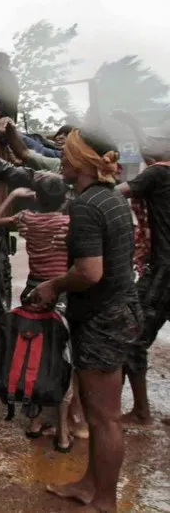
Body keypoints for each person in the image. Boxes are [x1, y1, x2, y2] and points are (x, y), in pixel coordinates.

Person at [30, 129, 140, 512]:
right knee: (96, 416)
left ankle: (105, 500)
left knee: (105, 418)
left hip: (102, 319)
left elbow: (91, 272)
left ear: (80, 160)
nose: (60, 158)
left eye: (66, 153)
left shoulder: (86, 206)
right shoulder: (108, 199)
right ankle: (90, 484)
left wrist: (53, 285)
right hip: (116, 312)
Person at [0, 178, 80, 452]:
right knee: (64, 360)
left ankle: (35, 421)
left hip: (33, 290)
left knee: (38, 356)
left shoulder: (26, 219)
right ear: (64, 199)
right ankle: (63, 433)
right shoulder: (68, 224)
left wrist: (15, 194)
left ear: (36, 199)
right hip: (62, 292)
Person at [118, 154, 170, 426]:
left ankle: (141, 412)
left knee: (132, 335)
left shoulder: (157, 174)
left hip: (163, 271)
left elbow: (116, 194)